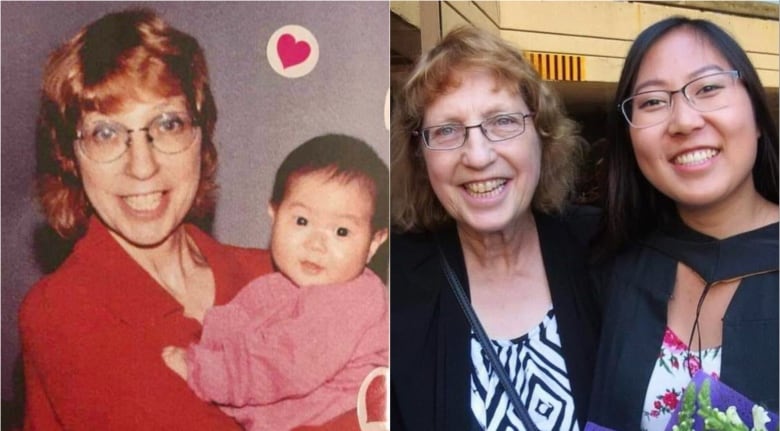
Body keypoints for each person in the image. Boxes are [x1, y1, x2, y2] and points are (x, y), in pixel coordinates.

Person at [18, 9, 275, 430]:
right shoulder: (60, 314)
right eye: (105, 133)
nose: (142, 167)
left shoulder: (272, 276)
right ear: (70, 155)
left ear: (200, 134)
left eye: (168, 124)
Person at [390, 25, 601, 431]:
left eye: (502, 121)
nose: (478, 155)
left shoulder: (606, 251)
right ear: (421, 158)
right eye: (447, 130)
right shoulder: (390, 285)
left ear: (542, 134)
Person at [588, 17, 779, 431]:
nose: (685, 122)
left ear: (758, 117)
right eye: (653, 101)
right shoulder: (613, 264)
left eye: (708, 88)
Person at [161, 134, 390, 431]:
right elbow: (239, 325)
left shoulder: (353, 299)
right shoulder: (276, 287)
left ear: (374, 243)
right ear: (274, 214)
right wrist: (206, 336)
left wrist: (203, 370)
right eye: (302, 221)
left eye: (341, 232)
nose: (316, 244)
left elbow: (287, 364)